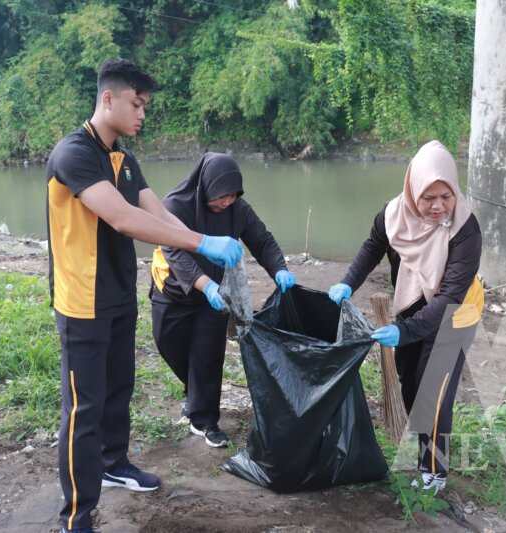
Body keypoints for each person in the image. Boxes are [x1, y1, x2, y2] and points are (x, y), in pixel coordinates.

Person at [46, 59, 243, 533]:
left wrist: (197, 239)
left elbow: (156, 213)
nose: (142, 114)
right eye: (136, 104)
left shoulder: (124, 160)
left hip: (117, 295)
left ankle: (115, 464)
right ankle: (76, 514)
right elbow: (124, 219)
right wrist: (202, 243)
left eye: (146, 106)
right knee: (83, 407)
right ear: (108, 98)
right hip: (81, 302)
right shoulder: (73, 154)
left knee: (117, 392)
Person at [328, 140, 483, 494]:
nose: (438, 206)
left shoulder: (465, 228)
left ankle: (435, 471)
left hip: (456, 313)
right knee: (411, 386)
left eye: (446, 196)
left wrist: (404, 331)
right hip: (412, 303)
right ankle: (423, 458)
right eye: (429, 197)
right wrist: (347, 283)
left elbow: (448, 299)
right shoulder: (393, 214)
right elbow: (372, 246)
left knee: (434, 392)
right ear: (414, 191)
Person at [149, 152, 295, 448]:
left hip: (215, 293)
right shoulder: (176, 206)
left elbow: (261, 240)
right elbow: (174, 251)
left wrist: (279, 269)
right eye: (222, 196)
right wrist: (205, 286)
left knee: (207, 356)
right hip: (173, 289)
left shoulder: (238, 210)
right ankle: (194, 395)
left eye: (233, 196)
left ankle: (205, 421)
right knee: (168, 344)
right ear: (206, 187)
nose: (227, 202)